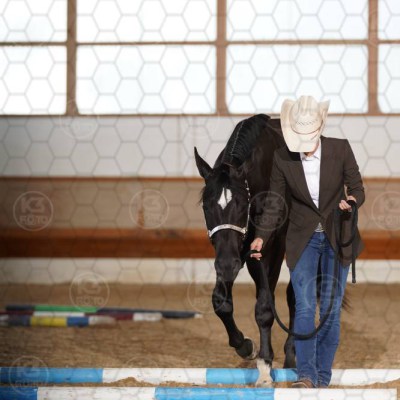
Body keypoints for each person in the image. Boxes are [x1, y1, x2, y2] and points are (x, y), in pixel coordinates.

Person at [250, 95, 365, 388]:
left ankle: (322, 377)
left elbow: (357, 187)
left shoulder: (340, 149)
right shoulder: (282, 158)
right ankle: (306, 375)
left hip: (337, 237)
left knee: (330, 309)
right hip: (303, 239)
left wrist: (351, 202)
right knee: (303, 307)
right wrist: (261, 236)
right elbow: (274, 202)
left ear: (320, 128)